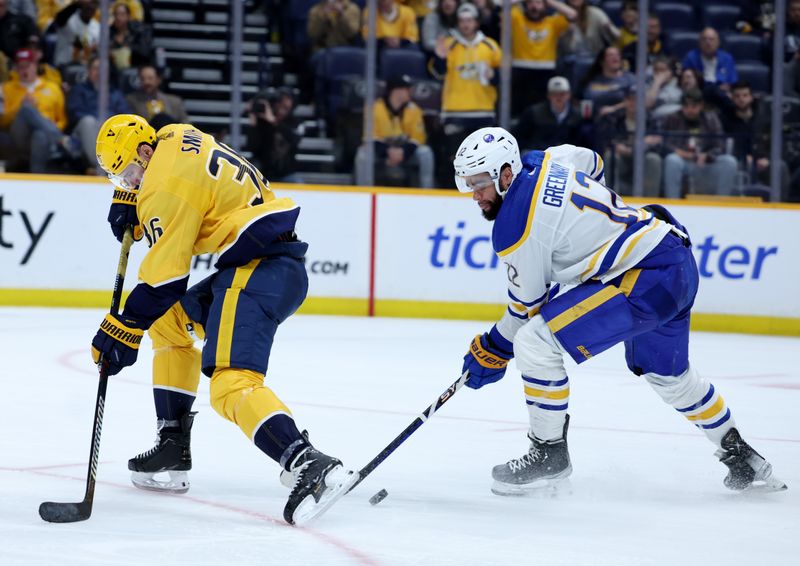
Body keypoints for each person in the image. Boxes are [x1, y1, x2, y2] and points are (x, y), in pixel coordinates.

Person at [452, 126, 787, 496]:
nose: (474, 195)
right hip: (673, 258)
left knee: (533, 342)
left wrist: (491, 349)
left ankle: (548, 453)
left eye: (480, 183)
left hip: (643, 279)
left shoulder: (516, 227)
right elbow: (592, 163)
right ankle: (741, 456)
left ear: (506, 173)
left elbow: (525, 311)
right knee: (669, 376)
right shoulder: (544, 158)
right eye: (465, 184)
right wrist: (593, 229)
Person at [91, 114, 357, 525]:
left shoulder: (163, 187)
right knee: (168, 321)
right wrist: (131, 198)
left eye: (127, 174)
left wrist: (124, 327)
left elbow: (166, 279)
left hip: (260, 271)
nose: (127, 184)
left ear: (146, 153)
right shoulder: (173, 135)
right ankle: (172, 443)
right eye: (118, 180)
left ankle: (308, 462)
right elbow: (179, 180)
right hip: (268, 264)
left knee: (230, 384)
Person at [432, 2, 500, 186]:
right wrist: (439, 58)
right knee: (454, 160)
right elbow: (438, 74)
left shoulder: (490, 46)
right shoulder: (449, 44)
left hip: (483, 112)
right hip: (455, 112)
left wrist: (494, 76)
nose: (465, 24)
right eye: (462, 20)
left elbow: (502, 79)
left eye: (469, 20)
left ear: (476, 22)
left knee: (483, 163)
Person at [0, 47, 73, 173]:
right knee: (26, 109)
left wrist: (46, 124)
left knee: (40, 135)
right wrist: (20, 108)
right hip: (18, 134)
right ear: (16, 69)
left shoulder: (52, 88)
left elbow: (62, 119)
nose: (24, 70)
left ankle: (37, 177)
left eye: (27, 66)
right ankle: (62, 140)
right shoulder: (7, 88)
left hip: (45, 137)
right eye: (20, 67)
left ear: (35, 65)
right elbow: (2, 121)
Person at [355, 74, 434, 188]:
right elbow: (370, 137)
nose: (410, 92)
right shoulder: (374, 108)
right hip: (381, 149)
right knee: (362, 154)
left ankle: (427, 192)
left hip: (406, 150)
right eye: (406, 89)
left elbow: (418, 137)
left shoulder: (414, 109)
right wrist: (388, 151)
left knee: (426, 153)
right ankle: (363, 191)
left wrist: (403, 152)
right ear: (396, 91)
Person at [661, 88, 738, 199]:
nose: (690, 110)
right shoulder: (673, 119)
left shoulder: (711, 119)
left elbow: (720, 145)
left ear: (701, 105)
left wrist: (708, 155)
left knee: (729, 162)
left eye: (694, 106)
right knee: (672, 160)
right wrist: (678, 152)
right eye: (686, 106)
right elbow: (661, 142)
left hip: (705, 163)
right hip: (683, 162)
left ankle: (722, 203)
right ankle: (673, 202)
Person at [510, 0, 576, 113]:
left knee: (542, 111)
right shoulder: (517, 19)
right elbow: (503, 5)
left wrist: (549, 1)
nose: (534, 6)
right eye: (530, 3)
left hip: (545, 71)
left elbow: (572, 14)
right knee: (518, 110)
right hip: (521, 69)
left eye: (538, 3)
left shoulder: (552, 22)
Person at [66, 55, 130, 171]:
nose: (99, 72)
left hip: (110, 134)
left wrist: (108, 124)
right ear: (88, 71)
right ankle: (102, 168)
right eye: (96, 68)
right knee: (88, 121)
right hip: (84, 133)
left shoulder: (116, 93)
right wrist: (99, 122)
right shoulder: (79, 90)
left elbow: (126, 117)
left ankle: (100, 168)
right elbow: (74, 114)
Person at [596, 85, 662, 196]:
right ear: (625, 101)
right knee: (610, 155)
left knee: (654, 159)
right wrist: (639, 143)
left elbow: (657, 143)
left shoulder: (651, 119)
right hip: (622, 157)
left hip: (643, 157)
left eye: (636, 100)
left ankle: (650, 201)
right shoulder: (616, 118)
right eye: (630, 99)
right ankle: (609, 197)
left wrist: (635, 147)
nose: (633, 103)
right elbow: (608, 139)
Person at [512, 75, 587, 153]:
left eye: (562, 94)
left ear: (569, 95)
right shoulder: (534, 113)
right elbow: (520, 137)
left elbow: (583, 143)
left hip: (568, 158)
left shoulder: (578, 116)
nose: (558, 98)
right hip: (539, 156)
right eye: (554, 94)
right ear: (548, 95)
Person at [245, 87, 303, 184]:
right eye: (280, 103)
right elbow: (252, 147)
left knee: (299, 185)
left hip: (287, 174)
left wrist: (273, 121)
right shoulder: (262, 122)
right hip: (263, 173)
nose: (281, 107)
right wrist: (253, 123)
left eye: (285, 106)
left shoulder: (295, 122)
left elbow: (294, 140)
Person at [581, 45, 635, 119]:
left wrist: (614, 109)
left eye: (617, 55)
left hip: (622, 120)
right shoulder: (593, 80)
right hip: (596, 121)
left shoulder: (629, 79)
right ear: (602, 61)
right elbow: (586, 102)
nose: (615, 57)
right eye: (610, 55)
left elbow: (635, 102)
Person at [681, 27, 738, 94]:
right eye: (704, 39)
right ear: (699, 42)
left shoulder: (727, 58)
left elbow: (733, 82)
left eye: (711, 39)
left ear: (718, 42)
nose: (708, 42)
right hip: (698, 94)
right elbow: (684, 81)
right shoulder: (690, 57)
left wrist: (728, 86)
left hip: (721, 94)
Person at [52, 0, 100, 67]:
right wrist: (76, 4)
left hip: (86, 69)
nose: (91, 6)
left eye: (94, 3)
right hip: (63, 66)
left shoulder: (97, 27)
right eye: (88, 4)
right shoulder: (68, 18)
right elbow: (59, 20)